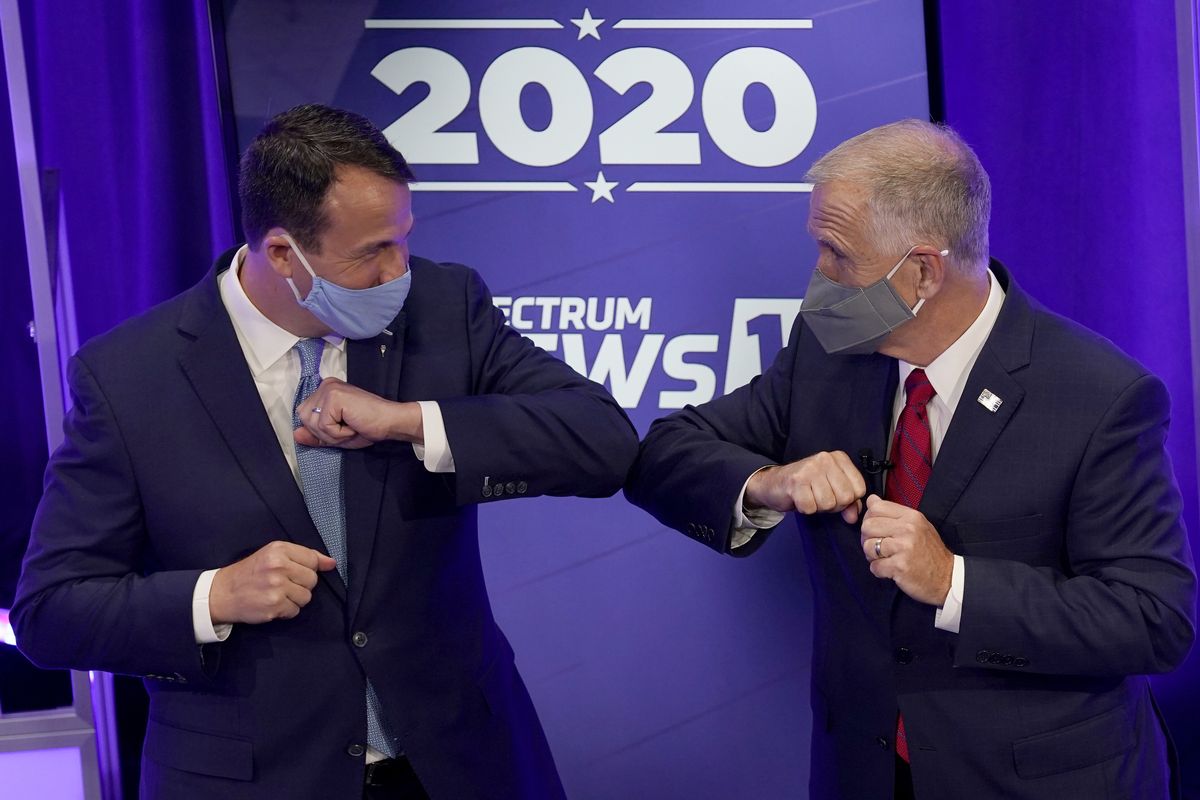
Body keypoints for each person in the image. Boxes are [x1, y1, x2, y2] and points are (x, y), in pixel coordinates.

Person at [13, 104, 638, 799]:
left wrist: (409, 421)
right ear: (283, 253)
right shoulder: (129, 377)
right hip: (256, 781)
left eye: (403, 238)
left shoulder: (444, 303)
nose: (399, 270)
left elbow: (601, 440)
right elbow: (51, 612)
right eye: (372, 252)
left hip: (460, 765)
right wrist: (213, 595)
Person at [625, 119, 1196, 799]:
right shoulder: (826, 352)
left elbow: (1152, 619)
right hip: (863, 772)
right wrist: (769, 483)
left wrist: (954, 583)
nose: (818, 275)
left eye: (838, 254)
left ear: (923, 270)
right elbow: (663, 454)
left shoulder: (1099, 396)